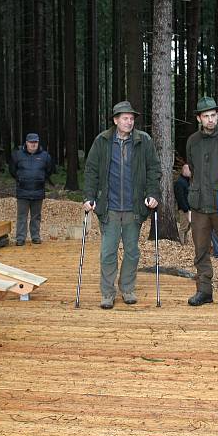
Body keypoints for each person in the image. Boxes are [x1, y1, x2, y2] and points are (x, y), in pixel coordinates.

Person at [83, 101, 161, 309]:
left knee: (132, 252)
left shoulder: (143, 141)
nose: (129, 122)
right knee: (108, 252)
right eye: (125, 118)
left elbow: (154, 169)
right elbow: (91, 170)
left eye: (132, 118)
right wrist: (89, 196)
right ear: (116, 120)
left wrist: (153, 194)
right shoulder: (102, 141)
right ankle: (107, 293)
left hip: (134, 208)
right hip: (109, 207)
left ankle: (127, 288)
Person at [185, 96, 218, 308]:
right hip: (199, 205)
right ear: (199, 118)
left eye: (213, 115)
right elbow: (194, 170)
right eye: (205, 116)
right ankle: (204, 291)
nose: (210, 120)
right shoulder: (192, 141)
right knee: (200, 250)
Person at [9, 133, 55, 245]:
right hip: (22, 191)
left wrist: (40, 179)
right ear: (26, 142)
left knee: (36, 216)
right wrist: (20, 179)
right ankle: (20, 238)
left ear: (38, 142)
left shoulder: (45, 156)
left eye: (35, 142)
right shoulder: (17, 155)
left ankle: (35, 236)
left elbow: (49, 170)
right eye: (31, 142)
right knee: (21, 216)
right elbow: (12, 170)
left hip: (38, 191)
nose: (33, 144)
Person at [174, 163, 192, 245]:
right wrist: (185, 209)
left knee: (187, 227)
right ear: (184, 170)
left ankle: (185, 242)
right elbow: (180, 197)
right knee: (183, 227)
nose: (190, 172)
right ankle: (181, 243)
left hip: (188, 208)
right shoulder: (180, 182)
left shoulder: (186, 182)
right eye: (189, 170)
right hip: (184, 209)